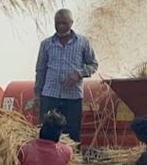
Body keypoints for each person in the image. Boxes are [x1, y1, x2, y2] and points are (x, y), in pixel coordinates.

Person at [29, 9, 98, 145]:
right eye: (57, 23)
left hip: (72, 97)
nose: (60, 26)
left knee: (72, 135)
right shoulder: (46, 44)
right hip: (49, 96)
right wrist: (37, 95)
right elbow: (40, 70)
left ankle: (71, 163)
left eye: (64, 23)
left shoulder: (83, 42)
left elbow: (93, 65)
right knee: (45, 134)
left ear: (71, 23)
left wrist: (79, 74)